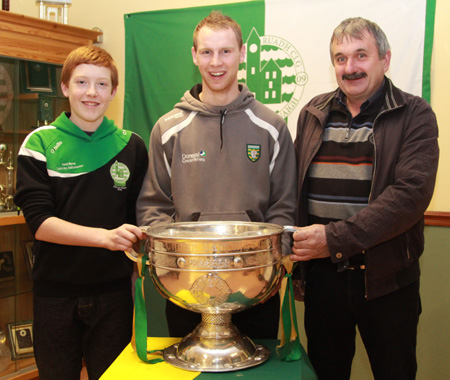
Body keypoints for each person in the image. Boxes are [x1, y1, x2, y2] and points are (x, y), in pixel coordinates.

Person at [291, 17, 439, 380]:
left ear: (385, 60)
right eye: (340, 58)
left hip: (386, 279)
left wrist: (334, 239)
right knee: (326, 373)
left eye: (361, 55)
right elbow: (292, 187)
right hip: (323, 279)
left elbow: (410, 196)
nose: (350, 67)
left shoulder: (414, 114)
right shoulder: (313, 112)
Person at [136, 11, 296, 339]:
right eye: (207, 52)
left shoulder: (272, 128)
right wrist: (174, 263)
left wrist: (274, 261)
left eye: (225, 51)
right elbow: (154, 205)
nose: (216, 62)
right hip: (186, 288)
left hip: (254, 285)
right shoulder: (168, 130)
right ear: (194, 55)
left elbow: (285, 205)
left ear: (242, 54)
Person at [13, 46, 148, 380]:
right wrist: (105, 237)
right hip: (55, 298)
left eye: (102, 85)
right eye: (82, 82)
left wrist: (135, 287)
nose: (92, 93)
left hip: (114, 298)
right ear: (64, 87)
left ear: (114, 92)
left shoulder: (131, 146)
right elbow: (40, 223)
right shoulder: (39, 143)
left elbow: (137, 224)